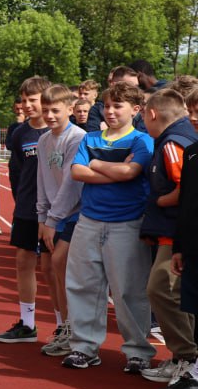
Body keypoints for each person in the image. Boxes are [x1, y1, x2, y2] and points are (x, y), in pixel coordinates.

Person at [62, 82, 155, 371]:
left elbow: (133, 171)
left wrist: (97, 165)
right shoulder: (90, 138)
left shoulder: (142, 141)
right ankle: (84, 348)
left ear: (136, 110)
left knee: (129, 290)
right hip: (89, 221)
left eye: (119, 106)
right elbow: (77, 172)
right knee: (83, 286)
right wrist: (116, 170)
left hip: (127, 223)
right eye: (108, 105)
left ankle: (138, 351)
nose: (111, 111)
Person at [138, 89, 197, 389]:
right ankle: (182, 356)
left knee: (160, 289)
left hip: (175, 233)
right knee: (177, 295)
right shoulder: (177, 139)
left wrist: (159, 203)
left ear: (151, 114)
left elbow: (184, 187)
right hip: (176, 232)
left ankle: (187, 357)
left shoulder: (173, 144)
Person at [29, 86, 85, 355]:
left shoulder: (77, 138)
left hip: (75, 212)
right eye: (46, 109)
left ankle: (76, 329)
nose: (49, 115)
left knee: (60, 263)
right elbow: (42, 180)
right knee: (49, 269)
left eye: (55, 110)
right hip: (52, 215)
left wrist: (52, 219)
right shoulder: (43, 141)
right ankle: (65, 325)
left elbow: (71, 185)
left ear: (70, 110)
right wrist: (42, 216)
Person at [0, 76, 51, 344]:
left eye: (33, 100)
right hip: (27, 208)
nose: (27, 105)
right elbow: (17, 172)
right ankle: (27, 323)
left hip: (56, 211)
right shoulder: (19, 134)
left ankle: (64, 325)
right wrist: (21, 201)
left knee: (53, 268)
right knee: (23, 262)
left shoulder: (62, 130)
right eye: (24, 100)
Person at [163, 90, 198, 389]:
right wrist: (179, 246)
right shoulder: (192, 152)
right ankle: (195, 375)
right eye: (192, 111)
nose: (194, 118)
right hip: (192, 246)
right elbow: (186, 202)